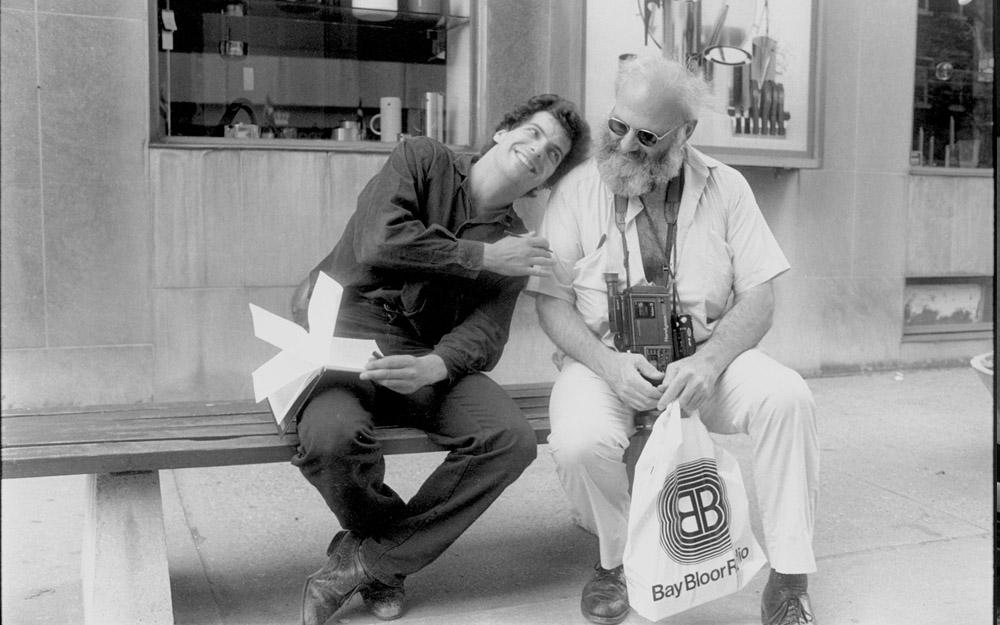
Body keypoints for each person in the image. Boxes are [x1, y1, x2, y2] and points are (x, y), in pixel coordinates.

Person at [527, 55, 820, 625]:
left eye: (647, 135)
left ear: (685, 134)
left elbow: (759, 299)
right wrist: (609, 366)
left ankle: (789, 577)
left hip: (704, 362)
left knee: (788, 398)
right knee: (580, 439)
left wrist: (710, 363)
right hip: (604, 363)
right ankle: (613, 562)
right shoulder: (576, 192)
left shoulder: (728, 188)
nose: (627, 145)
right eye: (617, 126)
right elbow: (552, 303)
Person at [290, 93, 590, 625]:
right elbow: (378, 241)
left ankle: (366, 562)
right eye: (535, 133)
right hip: (345, 331)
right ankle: (386, 558)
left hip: (425, 355)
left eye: (554, 155)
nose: (539, 151)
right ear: (503, 131)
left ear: (546, 181)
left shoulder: (518, 242)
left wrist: (437, 364)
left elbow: (486, 333)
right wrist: (481, 257)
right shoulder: (421, 158)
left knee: (508, 439)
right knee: (330, 440)